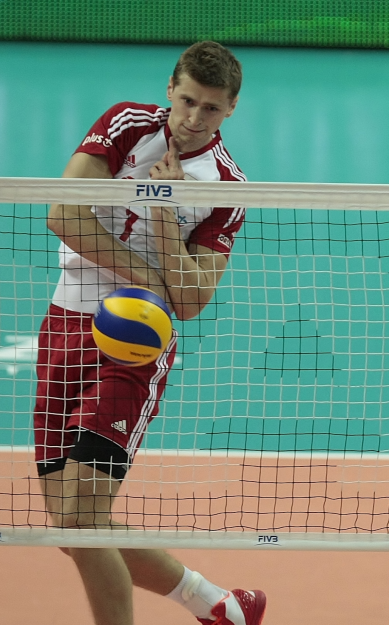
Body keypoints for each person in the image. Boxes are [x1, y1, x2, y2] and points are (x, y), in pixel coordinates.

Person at [35, 41, 265, 625]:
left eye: (211, 108)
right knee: (67, 527)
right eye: (187, 101)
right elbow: (63, 213)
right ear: (170, 89)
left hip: (137, 341)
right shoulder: (125, 125)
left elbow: (190, 302)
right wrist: (152, 274)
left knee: (83, 522)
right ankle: (217, 604)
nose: (194, 119)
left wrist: (164, 214)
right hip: (65, 323)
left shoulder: (225, 185)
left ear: (231, 108)